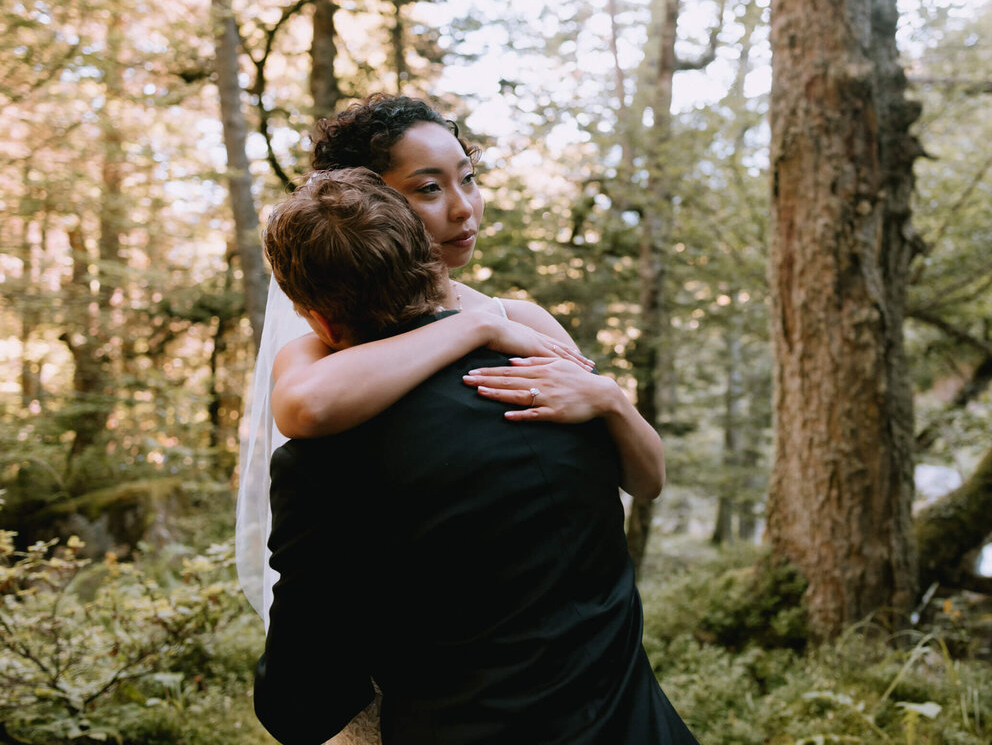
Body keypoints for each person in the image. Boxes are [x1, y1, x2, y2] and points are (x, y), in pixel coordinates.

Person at [254, 168, 697, 744]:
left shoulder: (320, 466)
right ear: (429, 263)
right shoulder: (559, 386)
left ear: (317, 319)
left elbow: (301, 693)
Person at [235, 94, 665, 622]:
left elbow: (647, 481)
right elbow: (304, 406)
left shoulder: (524, 321)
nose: (464, 208)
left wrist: (610, 399)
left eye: (468, 178)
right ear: (366, 202)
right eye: (430, 188)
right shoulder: (329, 340)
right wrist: (475, 327)